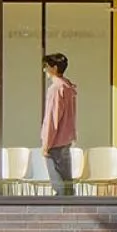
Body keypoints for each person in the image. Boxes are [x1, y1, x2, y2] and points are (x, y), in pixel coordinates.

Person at [39, 53, 78, 196]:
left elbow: (52, 119)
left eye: (46, 66)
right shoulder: (68, 87)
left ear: (54, 68)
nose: (45, 70)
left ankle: (62, 213)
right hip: (65, 140)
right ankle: (73, 213)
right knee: (67, 184)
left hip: (55, 142)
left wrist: (46, 145)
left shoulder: (56, 89)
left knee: (59, 185)